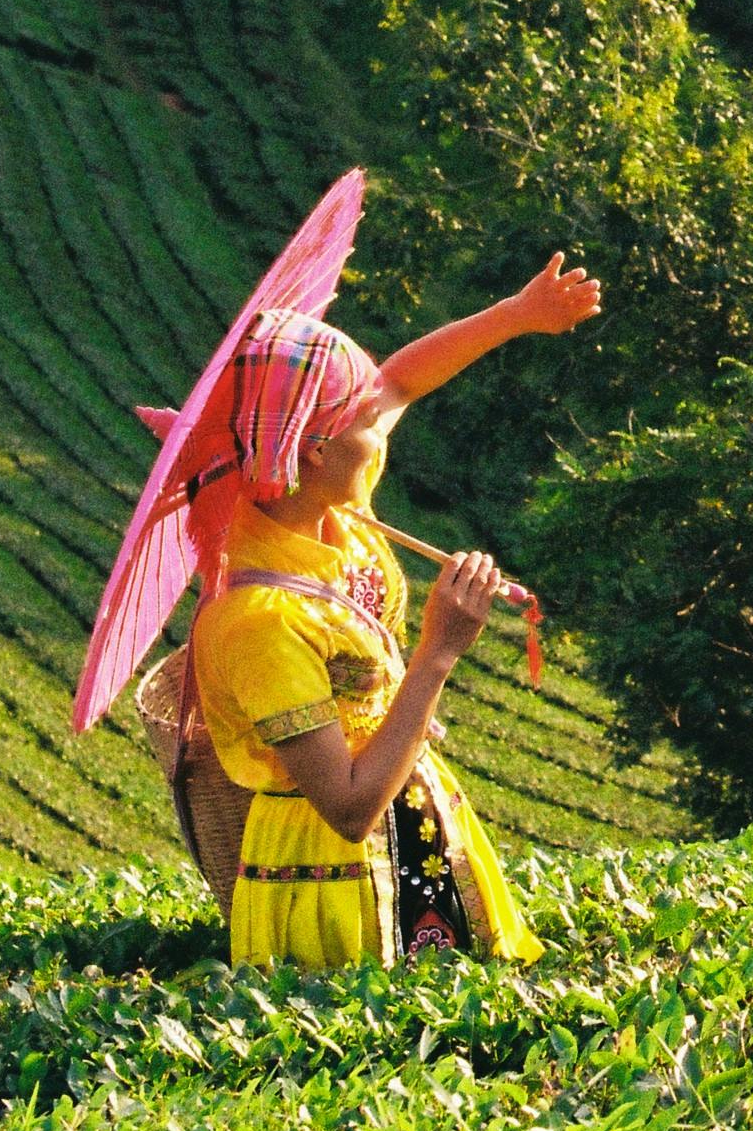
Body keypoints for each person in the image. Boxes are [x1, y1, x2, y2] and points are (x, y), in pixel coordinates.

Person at [189, 256, 600, 968]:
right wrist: (439, 650)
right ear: (313, 448)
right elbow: (347, 808)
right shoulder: (259, 620)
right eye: (361, 415)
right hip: (330, 879)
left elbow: (402, 378)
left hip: (419, 827)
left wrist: (516, 313)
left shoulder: (332, 505)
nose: (380, 421)